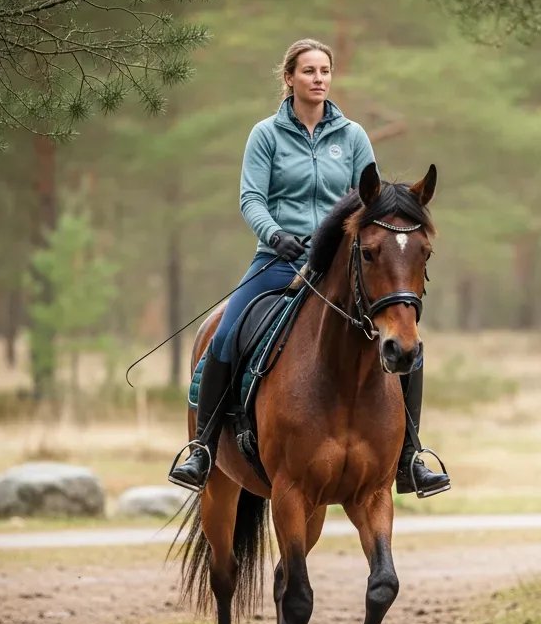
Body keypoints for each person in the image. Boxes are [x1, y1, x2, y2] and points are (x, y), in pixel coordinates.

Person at [169, 38, 451, 498]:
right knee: (225, 333)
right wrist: (273, 233)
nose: (319, 79)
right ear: (289, 78)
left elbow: (373, 201)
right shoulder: (265, 135)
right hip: (277, 259)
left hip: (340, 267)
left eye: (325, 71)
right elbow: (251, 198)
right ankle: (202, 448)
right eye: (309, 71)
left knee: (406, 341)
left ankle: (410, 456)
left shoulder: (354, 136)